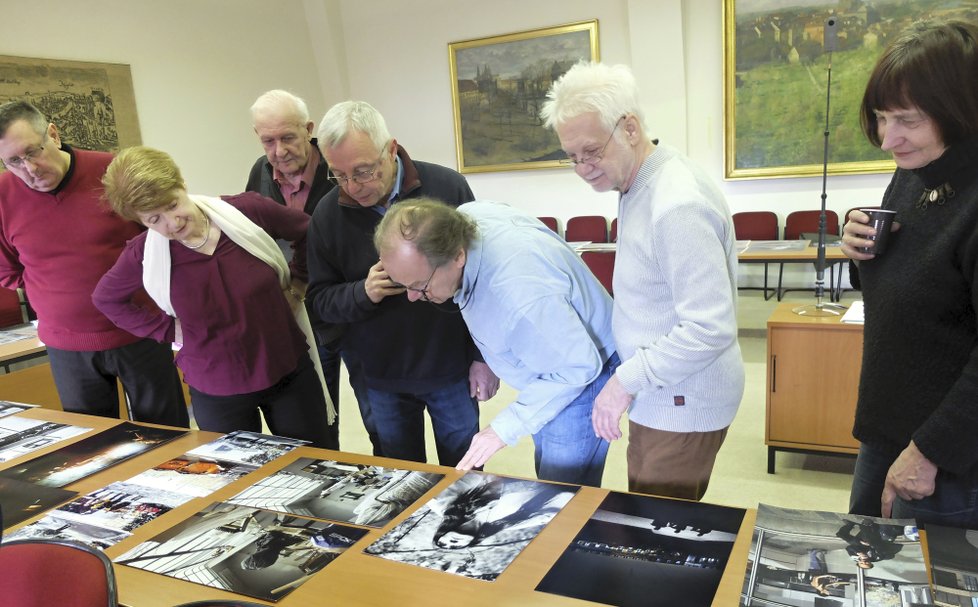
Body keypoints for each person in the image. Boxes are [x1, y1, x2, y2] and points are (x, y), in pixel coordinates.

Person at [541, 62, 743, 500]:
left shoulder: (676, 204)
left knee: (657, 528)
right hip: (661, 391)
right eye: (572, 156)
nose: (582, 168)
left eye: (591, 151)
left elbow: (710, 328)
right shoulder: (638, 182)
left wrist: (624, 380)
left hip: (684, 399)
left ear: (629, 127)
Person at [92, 146, 336, 448]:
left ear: (182, 184)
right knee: (239, 482)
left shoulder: (244, 212)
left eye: (172, 205)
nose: (172, 223)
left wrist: (298, 284)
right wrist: (168, 330)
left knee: (315, 463)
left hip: (287, 370)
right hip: (217, 390)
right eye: (154, 219)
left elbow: (312, 233)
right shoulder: (144, 253)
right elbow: (107, 298)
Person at [307, 100, 498, 466]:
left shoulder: (447, 188)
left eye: (363, 171)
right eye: (339, 175)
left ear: (390, 149)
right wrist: (362, 292)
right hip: (380, 374)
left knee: (465, 471)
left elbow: (482, 280)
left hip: (450, 366)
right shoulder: (328, 214)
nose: (353, 186)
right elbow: (319, 302)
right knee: (398, 475)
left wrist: (483, 358)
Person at [841, 19, 978, 528]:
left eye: (907, 120)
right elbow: (915, 286)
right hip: (889, 427)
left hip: (947, 454)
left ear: (960, 111)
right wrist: (863, 256)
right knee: (864, 566)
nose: (886, 139)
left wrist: (929, 451)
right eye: (881, 117)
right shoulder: (918, 171)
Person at [375, 199, 618, 486]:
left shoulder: (519, 295)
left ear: (457, 256)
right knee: (549, 462)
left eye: (420, 286)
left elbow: (578, 367)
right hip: (554, 349)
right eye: (404, 285)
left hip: (580, 371)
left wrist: (500, 430)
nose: (412, 297)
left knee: (561, 489)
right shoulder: (466, 219)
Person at [0, 100, 188, 427]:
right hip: (66, 346)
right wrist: (57, 295)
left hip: (140, 332)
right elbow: (8, 269)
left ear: (54, 135)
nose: (29, 169)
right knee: (92, 444)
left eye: (33, 152)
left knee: (166, 434)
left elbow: (167, 240)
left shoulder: (114, 172)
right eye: (13, 161)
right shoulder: (3, 196)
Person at [246, 90, 355, 439]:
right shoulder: (259, 173)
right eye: (268, 141)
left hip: (346, 304)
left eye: (288, 138)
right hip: (297, 313)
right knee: (320, 410)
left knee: (375, 410)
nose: (279, 151)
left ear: (309, 129)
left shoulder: (338, 167)